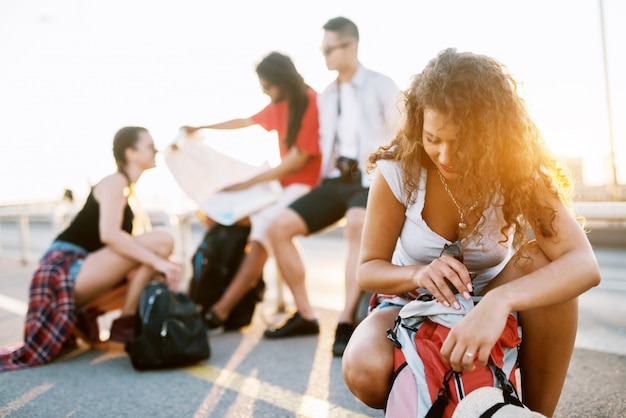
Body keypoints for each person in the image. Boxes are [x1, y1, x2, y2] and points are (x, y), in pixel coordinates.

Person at [341, 48, 601, 416]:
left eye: (461, 142)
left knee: (543, 260)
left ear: (491, 134)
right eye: (433, 138)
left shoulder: (518, 170)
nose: (445, 155)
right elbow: (368, 268)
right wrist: (418, 272)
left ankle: (536, 412)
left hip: (491, 295)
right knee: (363, 368)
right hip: (410, 301)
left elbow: (584, 265)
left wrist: (499, 302)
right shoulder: (398, 170)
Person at [265, 17, 401, 358]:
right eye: (322, 49)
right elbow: (326, 144)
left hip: (372, 179)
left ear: (350, 47)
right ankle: (306, 315)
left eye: (329, 48)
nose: (325, 55)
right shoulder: (327, 95)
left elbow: (402, 135)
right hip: (336, 180)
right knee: (278, 227)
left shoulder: (383, 85)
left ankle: (344, 322)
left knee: (357, 225)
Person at [0, 126, 183, 370]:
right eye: (150, 146)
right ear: (130, 153)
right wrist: (160, 260)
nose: (157, 150)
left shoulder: (127, 189)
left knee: (155, 267)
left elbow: (131, 252)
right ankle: (124, 325)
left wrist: (160, 265)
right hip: (63, 269)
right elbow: (109, 235)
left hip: (82, 269)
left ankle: (92, 317)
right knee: (162, 241)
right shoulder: (114, 182)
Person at [182, 51, 321, 332]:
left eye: (267, 87)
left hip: (307, 187)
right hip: (284, 188)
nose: (266, 93)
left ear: (281, 80)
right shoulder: (280, 104)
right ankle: (228, 307)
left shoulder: (309, 101)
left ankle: (226, 309)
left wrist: (249, 183)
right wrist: (201, 127)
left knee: (264, 232)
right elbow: (244, 121)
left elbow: (299, 160)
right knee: (251, 228)